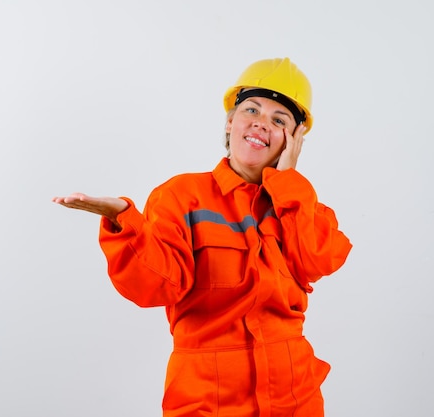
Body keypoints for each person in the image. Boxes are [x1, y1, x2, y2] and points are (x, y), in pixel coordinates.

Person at [53, 57, 352, 417]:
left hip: (294, 396)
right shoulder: (183, 195)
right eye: (252, 109)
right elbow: (157, 286)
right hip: (207, 400)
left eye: (279, 120)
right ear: (230, 122)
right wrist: (125, 222)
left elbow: (318, 261)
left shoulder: (299, 205)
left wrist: (288, 182)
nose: (261, 123)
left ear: (295, 140)